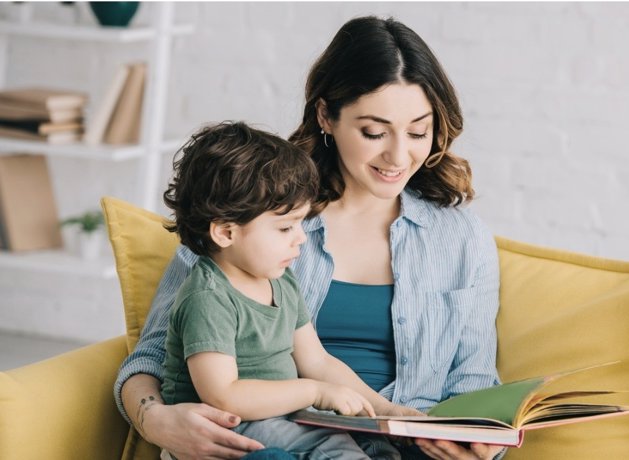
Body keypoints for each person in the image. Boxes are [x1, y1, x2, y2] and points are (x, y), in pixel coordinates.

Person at [115, 15, 505, 460]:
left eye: (418, 131)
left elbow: (472, 381)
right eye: (374, 132)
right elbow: (150, 358)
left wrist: (478, 443)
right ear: (326, 116)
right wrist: (157, 420)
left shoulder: (460, 238)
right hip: (270, 438)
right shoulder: (248, 210)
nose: (399, 155)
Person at [158, 120, 416, 460]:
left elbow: (317, 360)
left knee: (363, 447)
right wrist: (315, 392)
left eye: (299, 223)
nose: (301, 237)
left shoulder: (280, 280)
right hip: (227, 433)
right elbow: (225, 396)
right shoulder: (208, 297)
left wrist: (381, 409)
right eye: (284, 227)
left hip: (280, 423)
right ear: (225, 232)